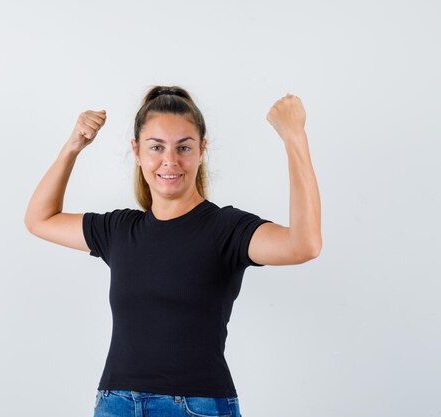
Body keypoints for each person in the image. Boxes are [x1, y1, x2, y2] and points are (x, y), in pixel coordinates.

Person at [24, 85, 322, 417]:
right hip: (116, 404)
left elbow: (304, 244)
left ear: (201, 150)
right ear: (136, 152)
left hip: (197, 407)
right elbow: (39, 219)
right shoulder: (119, 230)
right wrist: (73, 146)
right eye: (156, 147)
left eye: (184, 147)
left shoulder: (226, 229)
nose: (170, 161)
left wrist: (294, 136)